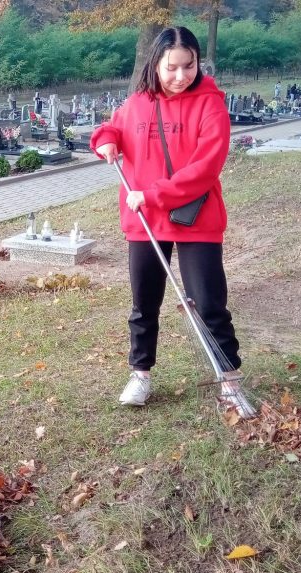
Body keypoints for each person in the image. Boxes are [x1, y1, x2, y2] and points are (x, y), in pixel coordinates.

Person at [89, 25, 253, 415]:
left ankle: (228, 379)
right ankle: (140, 373)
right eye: (172, 68)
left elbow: (205, 168)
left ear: (198, 62)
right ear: (156, 65)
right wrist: (104, 141)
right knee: (144, 302)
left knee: (209, 301)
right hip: (145, 220)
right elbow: (111, 127)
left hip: (194, 216)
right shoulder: (138, 103)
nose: (181, 76)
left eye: (189, 66)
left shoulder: (210, 104)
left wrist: (153, 194)